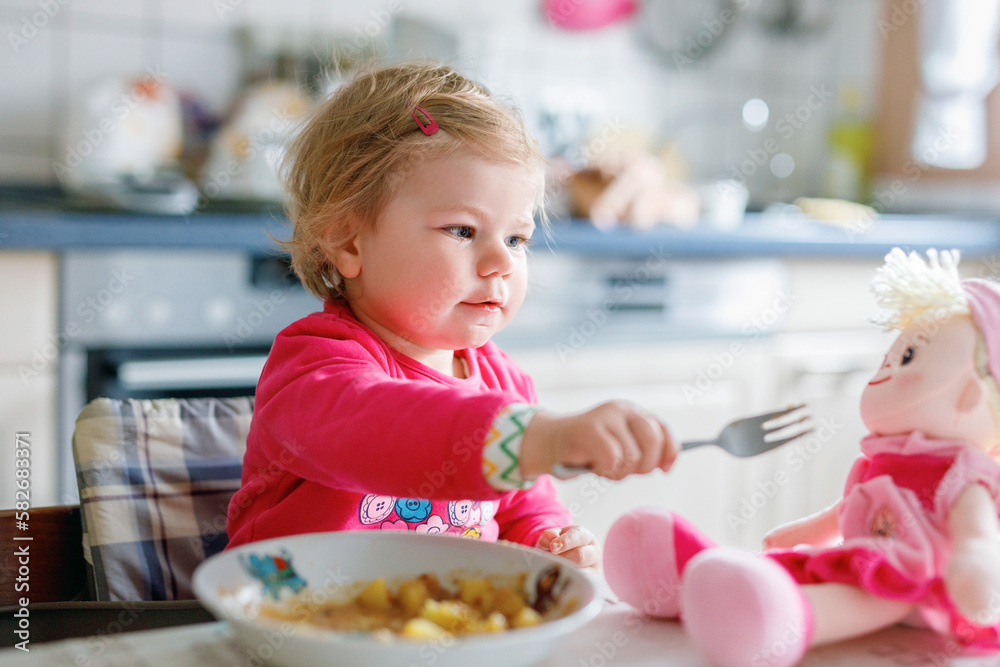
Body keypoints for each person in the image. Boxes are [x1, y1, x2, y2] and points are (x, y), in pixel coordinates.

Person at [226, 63, 678, 569]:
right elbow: (384, 429)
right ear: (348, 242)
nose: (502, 261)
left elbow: (523, 505)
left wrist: (548, 539)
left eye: (516, 239)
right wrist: (540, 439)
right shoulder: (312, 365)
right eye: (463, 231)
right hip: (293, 622)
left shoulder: (505, 384)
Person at [603, 248, 1000, 665]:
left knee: (859, 597)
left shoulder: (964, 474)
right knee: (805, 564)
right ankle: (684, 578)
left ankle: (776, 622)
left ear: (973, 394)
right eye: (892, 355)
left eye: (906, 357)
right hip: (861, 557)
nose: (884, 369)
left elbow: (977, 537)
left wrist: (977, 573)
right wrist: (803, 533)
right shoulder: (881, 461)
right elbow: (845, 512)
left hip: (917, 581)